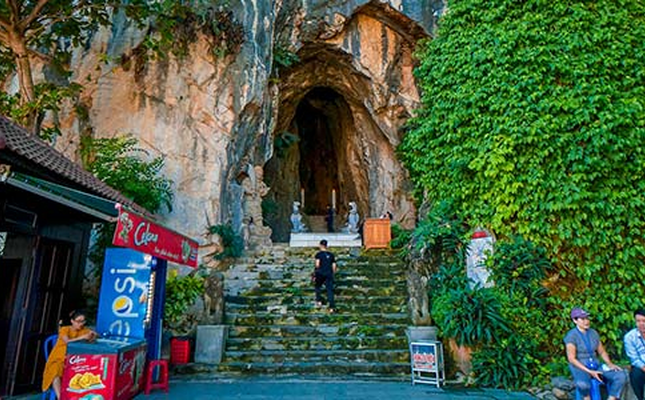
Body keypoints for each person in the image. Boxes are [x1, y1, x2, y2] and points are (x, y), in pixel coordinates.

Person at [564, 307, 626, 400]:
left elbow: (601, 351)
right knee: (583, 385)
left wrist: (610, 364)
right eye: (582, 319)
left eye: (587, 318)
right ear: (575, 320)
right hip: (581, 367)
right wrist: (589, 372)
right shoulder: (571, 336)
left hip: (596, 365)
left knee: (620, 375)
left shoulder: (593, 333)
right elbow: (571, 359)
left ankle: (611, 398)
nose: (586, 321)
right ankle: (587, 397)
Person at [42, 310, 97, 399]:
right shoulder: (65, 329)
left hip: (74, 359)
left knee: (86, 369)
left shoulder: (84, 330)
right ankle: (61, 397)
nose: (81, 324)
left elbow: (94, 338)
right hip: (58, 358)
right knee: (55, 371)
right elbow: (67, 341)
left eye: (83, 321)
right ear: (72, 321)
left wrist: (93, 336)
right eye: (79, 321)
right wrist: (82, 337)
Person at [625, 309, 645, 400]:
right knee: (636, 374)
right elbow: (634, 358)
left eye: (644, 321)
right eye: (638, 321)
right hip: (641, 366)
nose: (641, 324)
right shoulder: (630, 337)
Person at [314, 239, 338, 313]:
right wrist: (332, 273)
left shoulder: (318, 254)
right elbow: (334, 266)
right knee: (329, 290)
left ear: (320, 245)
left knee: (318, 286)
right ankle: (331, 307)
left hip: (320, 273)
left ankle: (319, 301)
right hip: (329, 273)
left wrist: (315, 273)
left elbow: (317, 265)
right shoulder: (331, 255)